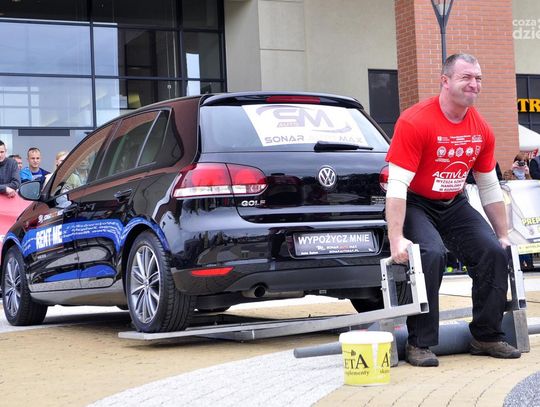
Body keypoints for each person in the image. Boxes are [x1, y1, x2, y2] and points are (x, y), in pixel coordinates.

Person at [385, 53, 520, 367]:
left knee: (493, 252)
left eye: (478, 78)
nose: (474, 84)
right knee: (431, 254)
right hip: (415, 202)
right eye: (466, 77)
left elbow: (488, 186)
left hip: (453, 202)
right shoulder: (415, 121)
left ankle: (486, 336)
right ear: (445, 81)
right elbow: (397, 185)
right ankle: (419, 344)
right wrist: (396, 239)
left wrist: (502, 235)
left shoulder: (481, 129)